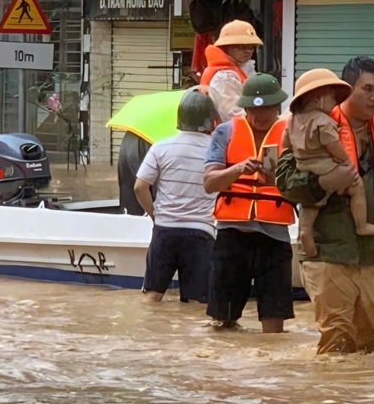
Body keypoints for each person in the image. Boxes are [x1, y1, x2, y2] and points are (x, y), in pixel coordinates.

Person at [276, 57, 374, 354]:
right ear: (347, 90)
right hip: (327, 253)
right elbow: (284, 182)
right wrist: (323, 182)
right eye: (367, 89)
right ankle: (331, 401)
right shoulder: (310, 123)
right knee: (335, 341)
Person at [203, 73, 295, 333]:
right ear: (244, 108)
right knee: (223, 322)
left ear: (277, 106)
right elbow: (209, 183)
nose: (260, 115)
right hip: (232, 235)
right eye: (254, 108)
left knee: (274, 327)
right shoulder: (225, 131)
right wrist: (238, 170)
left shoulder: (291, 132)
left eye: (266, 108)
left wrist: (280, 179)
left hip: (274, 238)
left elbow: (304, 186)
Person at [134, 87, 222, 304]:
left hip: (165, 231)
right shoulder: (217, 150)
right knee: (195, 305)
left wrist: (155, 215)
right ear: (211, 121)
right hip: (202, 234)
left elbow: (139, 187)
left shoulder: (161, 147)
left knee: (152, 297)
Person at [285, 68, 374, 257]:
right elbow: (333, 144)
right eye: (331, 97)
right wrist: (346, 162)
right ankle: (361, 225)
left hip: (303, 165)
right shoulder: (324, 121)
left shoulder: (292, 120)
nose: (335, 101)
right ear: (317, 99)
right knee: (356, 186)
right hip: (325, 165)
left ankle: (305, 231)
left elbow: (285, 144)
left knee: (310, 201)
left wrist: (291, 154)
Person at [201, 20, 262, 122]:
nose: (248, 51)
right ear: (226, 47)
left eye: (251, 46)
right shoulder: (224, 77)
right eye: (241, 46)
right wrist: (264, 121)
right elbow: (232, 115)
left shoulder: (243, 69)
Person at [118, 131, 154, 216]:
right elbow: (141, 187)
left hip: (130, 209)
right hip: (148, 212)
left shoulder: (129, 134)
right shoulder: (153, 138)